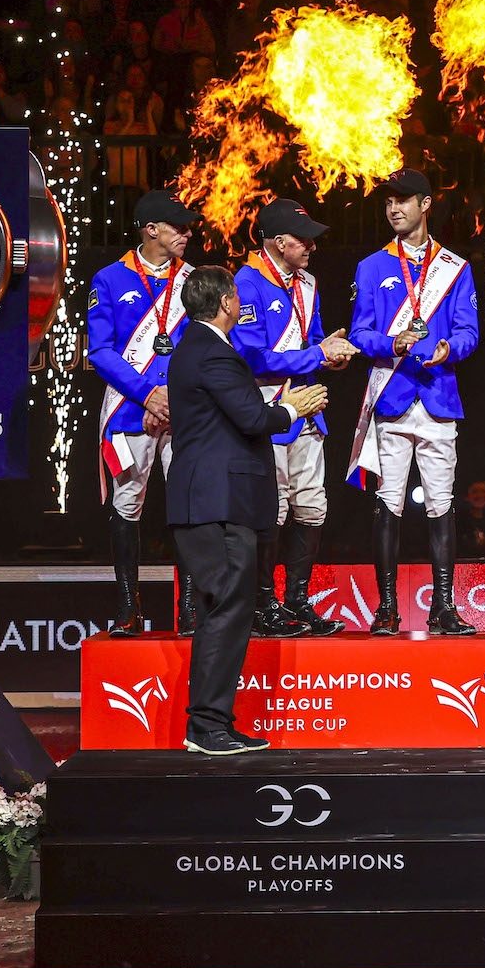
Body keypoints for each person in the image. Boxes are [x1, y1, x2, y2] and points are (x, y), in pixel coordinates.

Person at [166, 264, 328, 756]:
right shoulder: (213, 352)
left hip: (209, 499)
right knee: (228, 610)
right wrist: (293, 409)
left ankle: (210, 724)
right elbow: (253, 417)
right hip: (217, 502)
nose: (240, 302)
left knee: (223, 610)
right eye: (236, 296)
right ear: (225, 303)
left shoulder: (196, 347)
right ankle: (207, 727)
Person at [347, 169, 480, 636]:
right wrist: (392, 343)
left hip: (439, 395)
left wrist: (450, 348)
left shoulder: (456, 267)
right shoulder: (371, 266)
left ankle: (443, 607)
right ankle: (387, 608)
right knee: (388, 503)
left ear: (425, 204)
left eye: (402, 200)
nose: (393, 209)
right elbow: (360, 333)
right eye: (388, 202)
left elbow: (469, 331)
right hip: (393, 395)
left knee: (442, 504)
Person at [232, 198, 358, 639]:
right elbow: (252, 357)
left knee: (311, 506)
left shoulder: (308, 282)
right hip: (268, 409)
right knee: (274, 509)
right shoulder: (246, 283)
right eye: (304, 240)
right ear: (279, 241)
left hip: (308, 410)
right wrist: (316, 355)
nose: (312, 247)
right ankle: (263, 605)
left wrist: (331, 354)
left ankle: (297, 601)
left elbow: (314, 339)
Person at [87, 191, 200, 637]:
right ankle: (128, 609)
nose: (187, 233)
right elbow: (101, 352)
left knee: (189, 504)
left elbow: (203, 345)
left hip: (182, 409)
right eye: (178, 227)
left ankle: (189, 610)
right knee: (127, 503)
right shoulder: (109, 279)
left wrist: (171, 396)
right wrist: (148, 395)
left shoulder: (193, 280)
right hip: (130, 408)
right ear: (151, 229)